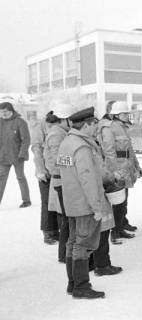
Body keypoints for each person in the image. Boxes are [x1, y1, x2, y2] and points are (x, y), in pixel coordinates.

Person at [58, 106, 111, 299]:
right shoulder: (81, 147)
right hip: (85, 204)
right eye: (94, 124)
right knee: (83, 245)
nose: (96, 127)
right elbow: (87, 179)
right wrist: (97, 207)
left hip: (72, 202)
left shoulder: (67, 143)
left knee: (73, 243)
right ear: (87, 125)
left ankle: (73, 283)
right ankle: (81, 285)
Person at [97, 101, 142, 244]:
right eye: (124, 113)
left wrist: (136, 165)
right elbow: (109, 152)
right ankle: (114, 232)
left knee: (123, 201)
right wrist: (114, 172)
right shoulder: (108, 128)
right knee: (117, 202)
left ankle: (120, 228)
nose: (127, 115)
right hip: (118, 171)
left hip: (126, 169)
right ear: (116, 114)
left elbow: (129, 150)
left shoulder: (122, 127)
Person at [43, 104, 77, 262]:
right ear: (65, 119)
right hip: (61, 180)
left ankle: (65, 253)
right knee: (66, 220)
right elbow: (58, 159)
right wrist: (78, 161)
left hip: (64, 179)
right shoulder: (57, 135)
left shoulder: (61, 132)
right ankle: (64, 254)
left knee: (67, 219)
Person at [31, 113, 59, 244]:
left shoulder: (60, 124)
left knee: (57, 202)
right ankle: (48, 232)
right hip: (45, 171)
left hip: (57, 169)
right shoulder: (40, 127)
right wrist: (41, 169)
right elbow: (36, 149)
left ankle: (56, 230)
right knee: (47, 202)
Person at [0, 101, 31, 208]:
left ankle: (26, 200)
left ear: (11, 110)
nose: (3, 114)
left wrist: (22, 153)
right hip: (3, 156)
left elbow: (26, 140)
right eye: (1, 112)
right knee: (1, 179)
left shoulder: (20, 122)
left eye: (5, 111)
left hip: (17, 156)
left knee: (20, 177)